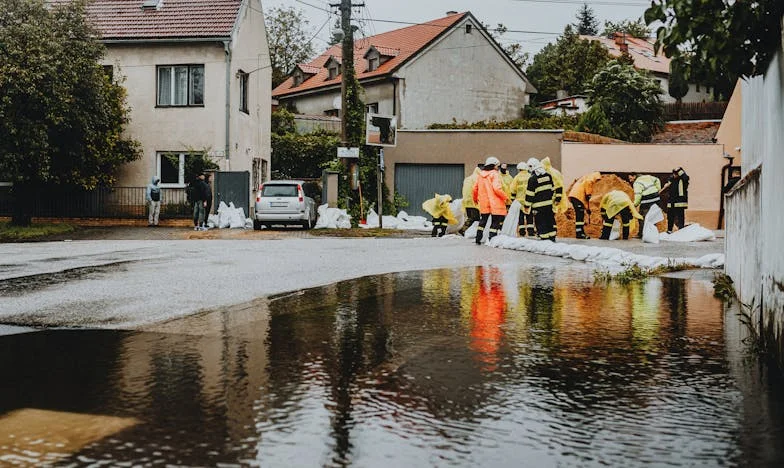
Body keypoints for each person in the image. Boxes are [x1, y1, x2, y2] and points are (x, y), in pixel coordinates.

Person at [472, 156, 509, 244]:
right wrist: (505, 197)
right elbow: (497, 189)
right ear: (493, 165)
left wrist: (475, 199)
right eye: (497, 165)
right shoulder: (494, 174)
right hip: (495, 202)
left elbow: (474, 189)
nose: (497, 167)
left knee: (483, 220)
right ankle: (492, 239)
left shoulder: (480, 175)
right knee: (495, 222)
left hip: (484, 203)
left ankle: (478, 238)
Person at [522, 158, 557, 242]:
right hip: (548, 205)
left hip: (538, 207)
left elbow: (530, 194)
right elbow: (552, 190)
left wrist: (527, 206)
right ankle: (552, 238)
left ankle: (544, 239)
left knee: (541, 223)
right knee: (549, 221)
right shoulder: (548, 176)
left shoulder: (532, 179)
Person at [568, 172, 602, 239]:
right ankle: (579, 234)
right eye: (597, 180)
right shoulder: (590, 180)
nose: (597, 181)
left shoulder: (585, 178)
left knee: (580, 214)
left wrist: (587, 209)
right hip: (577, 197)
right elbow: (587, 194)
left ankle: (580, 233)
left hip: (575, 197)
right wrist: (589, 194)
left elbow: (584, 200)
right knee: (580, 215)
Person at [628, 173, 662, 239]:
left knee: (642, 217)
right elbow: (657, 180)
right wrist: (658, 189)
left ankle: (642, 234)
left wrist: (634, 205)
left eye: (630, 178)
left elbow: (638, 195)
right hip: (656, 199)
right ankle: (652, 233)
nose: (630, 180)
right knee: (652, 216)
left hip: (647, 200)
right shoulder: (648, 177)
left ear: (634, 176)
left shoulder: (637, 183)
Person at [510, 161, 535, 237]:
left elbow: (512, 189)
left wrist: (512, 199)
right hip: (529, 200)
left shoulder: (517, 177)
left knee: (521, 217)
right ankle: (530, 232)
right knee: (529, 216)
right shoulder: (530, 176)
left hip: (519, 201)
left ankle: (522, 232)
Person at [661, 167, 689, 233]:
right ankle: (669, 230)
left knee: (680, 216)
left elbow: (685, 177)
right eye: (674, 174)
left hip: (680, 201)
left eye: (676, 174)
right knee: (670, 216)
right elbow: (667, 185)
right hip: (671, 201)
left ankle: (681, 230)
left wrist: (680, 170)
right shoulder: (671, 179)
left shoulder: (683, 179)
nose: (674, 175)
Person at [459, 164, 482, 235]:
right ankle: (463, 230)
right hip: (473, 202)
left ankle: (468, 231)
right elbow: (478, 189)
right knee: (474, 218)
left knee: (471, 217)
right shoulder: (477, 178)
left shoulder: (468, 178)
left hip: (466, 202)